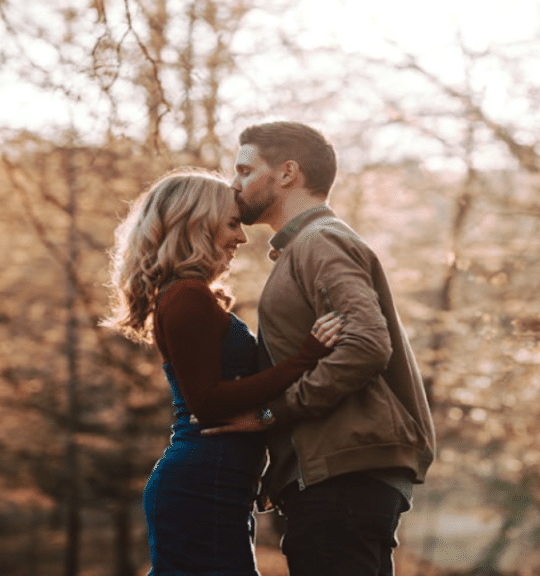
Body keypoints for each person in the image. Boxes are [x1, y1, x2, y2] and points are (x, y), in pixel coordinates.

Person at [205, 121, 436, 576]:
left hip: (343, 482)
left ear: (287, 172)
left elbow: (366, 344)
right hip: (332, 480)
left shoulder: (320, 241)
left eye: (245, 170)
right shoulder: (303, 249)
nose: (235, 184)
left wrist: (273, 414)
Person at [103, 167, 345, 576]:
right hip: (202, 482)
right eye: (232, 223)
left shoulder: (191, 295)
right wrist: (305, 358)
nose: (242, 237)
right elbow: (208, 402)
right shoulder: (186, 296)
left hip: (221, 482)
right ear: (198, 223)